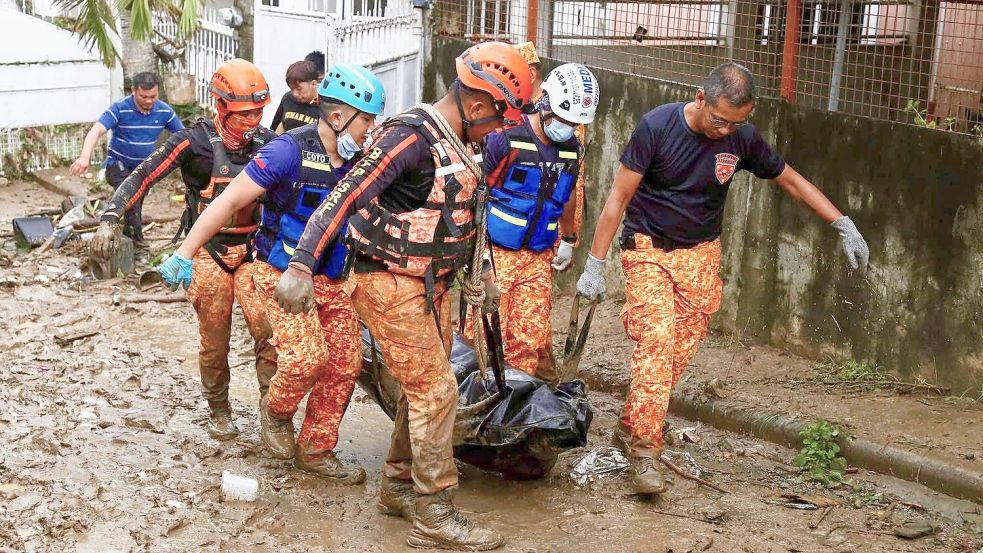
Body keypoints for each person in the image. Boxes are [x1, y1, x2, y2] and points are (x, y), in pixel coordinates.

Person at [274, 41, 533, 550]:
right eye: (500, 119)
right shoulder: (409, 138)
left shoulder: (463, 141)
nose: (502, 131)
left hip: (428, 283)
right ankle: (434, 509)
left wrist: (482, 271)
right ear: (478, 105)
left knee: (427, 390)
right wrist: (301, 264)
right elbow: (344, 194)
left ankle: (397, 484)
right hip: (387, 281)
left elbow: (468, 212)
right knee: (438, 391)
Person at [575, 62, 870, 495]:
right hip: (649, 251)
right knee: (656, 343)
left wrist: (841, 221)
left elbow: (789, 179)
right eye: (720, 119)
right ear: (700, 98)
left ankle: (632, 424)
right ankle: (644, 451)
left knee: (676, 356)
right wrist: (594, 264)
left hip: (701, 256)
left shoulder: (740, 138)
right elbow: (618, 198)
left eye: (738, 122)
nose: (726, 130)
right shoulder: (656, 127)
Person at [164, 63, 386, 483]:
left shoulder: (363, 161)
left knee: (344, 363)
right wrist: (186, 252)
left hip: (333, 278)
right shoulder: (287, 152)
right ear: (338, 117)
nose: (370, 131)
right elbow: (227, 201)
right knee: (305, 359)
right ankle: (276, 413)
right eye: (367, 120)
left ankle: (316, 450)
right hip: (279, 273)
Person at [90, 59, 277, 441]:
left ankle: (271, 412)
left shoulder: (271, 144)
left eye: (259, 111)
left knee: (269, 332)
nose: (253, 120)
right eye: (244, 113)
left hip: (254, 250)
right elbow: (145, 174)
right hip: (207, 250)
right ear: (221, 106)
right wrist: (111, 217)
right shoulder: (194, 142)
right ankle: (219, 408)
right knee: (214, 339)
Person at [476, 62, 599, 381]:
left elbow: (568, 194)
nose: (568, 127)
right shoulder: (503, 141)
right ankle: (473, 412)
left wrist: (569, 240)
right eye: (564, 118)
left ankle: (511, 418)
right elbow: (475, 195)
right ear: (545, 102)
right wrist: (477, 259)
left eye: (575, 123)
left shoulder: (572, 149)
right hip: (496, 254)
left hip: (538, 259)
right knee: (484, 336)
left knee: (528, 341)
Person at [71, 72, 184, 246]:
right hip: (118, 166)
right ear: (133, 91)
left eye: (152, 96)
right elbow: (96, 130)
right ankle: (137, 244)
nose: (148, 101)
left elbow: (183, 136)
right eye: (143, 96)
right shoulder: (120, 108)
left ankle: (123, 238)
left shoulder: (164, 111)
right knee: (132, 200)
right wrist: (84, 157)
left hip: (144, 170)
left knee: (133, 204)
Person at [269, 60, 322, 134]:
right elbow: (274, 129)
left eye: (299, 89)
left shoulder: (325, 107)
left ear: (313, 84)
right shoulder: (288, 99)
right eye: (292, 89)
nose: (295, 94)